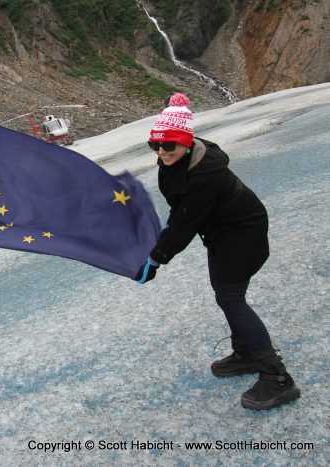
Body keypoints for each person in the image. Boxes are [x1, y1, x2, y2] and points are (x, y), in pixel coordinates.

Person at [134, 93, 301, 410]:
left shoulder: (203, 176)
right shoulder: (177, 158)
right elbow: (180, 213)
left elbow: (183, 223)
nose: (161, 151)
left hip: (243, 232)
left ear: (186, 142)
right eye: (155, 145)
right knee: (225, 293)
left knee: (230, 297)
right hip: (222, 233)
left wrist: (155, 258)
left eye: (168, 145)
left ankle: (278, 379)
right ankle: (246, 353)